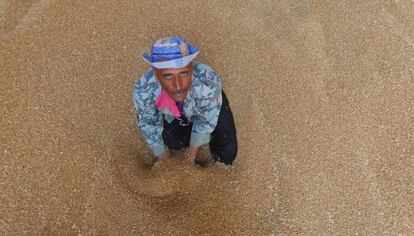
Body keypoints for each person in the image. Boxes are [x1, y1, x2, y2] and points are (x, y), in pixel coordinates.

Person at [133, 36, 237, 165]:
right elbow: (149, 123)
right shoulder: (144, 89)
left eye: (183, 73)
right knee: (175, 143)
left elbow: (205, 121)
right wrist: (162, 155)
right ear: (155, 74)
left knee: (228, 152)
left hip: (209, 101)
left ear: (192, 68)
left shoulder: (208, 83)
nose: (178, 85)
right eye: (167, 75)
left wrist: (190, 158)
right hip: (173, 109)